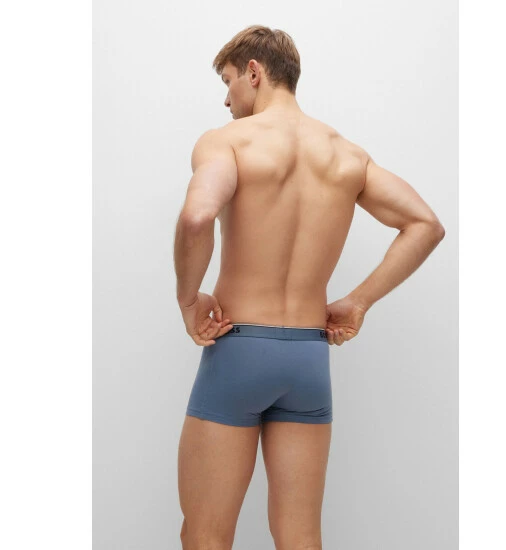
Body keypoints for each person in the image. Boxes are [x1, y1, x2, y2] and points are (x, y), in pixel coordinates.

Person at [173, 24, 445, 550]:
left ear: (254, 72)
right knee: (300, 537)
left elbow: (197, 216)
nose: (226, 99)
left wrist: (189, 299)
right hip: (308, 360)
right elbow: (425, 225)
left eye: (228, 81)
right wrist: (357, 302)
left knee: (205, 535)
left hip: (239, 351)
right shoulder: (346, 155)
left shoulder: (227, 141)